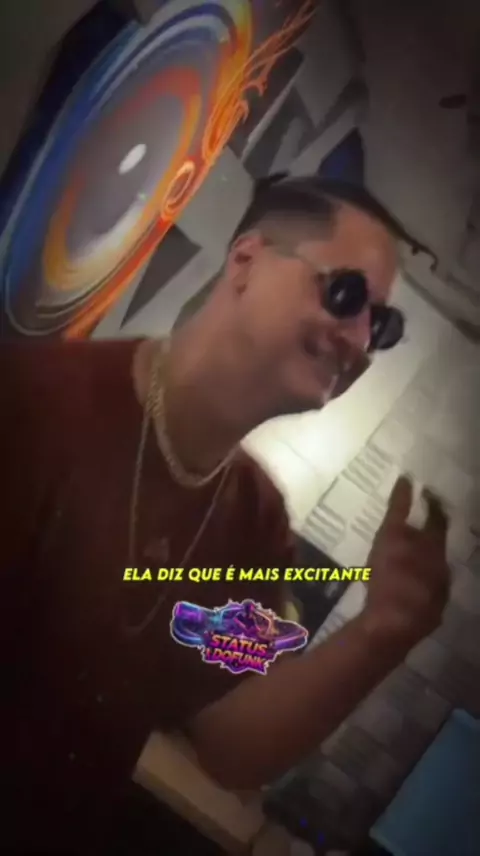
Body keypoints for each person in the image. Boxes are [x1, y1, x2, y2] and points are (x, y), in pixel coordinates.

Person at [0, 175, 450, 854]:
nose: (361, 341)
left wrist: (380, 634)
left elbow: (229, 743)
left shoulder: (258, 521)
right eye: (345, 295)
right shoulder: (34, 405)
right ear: (245, 262)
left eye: (382, 326)